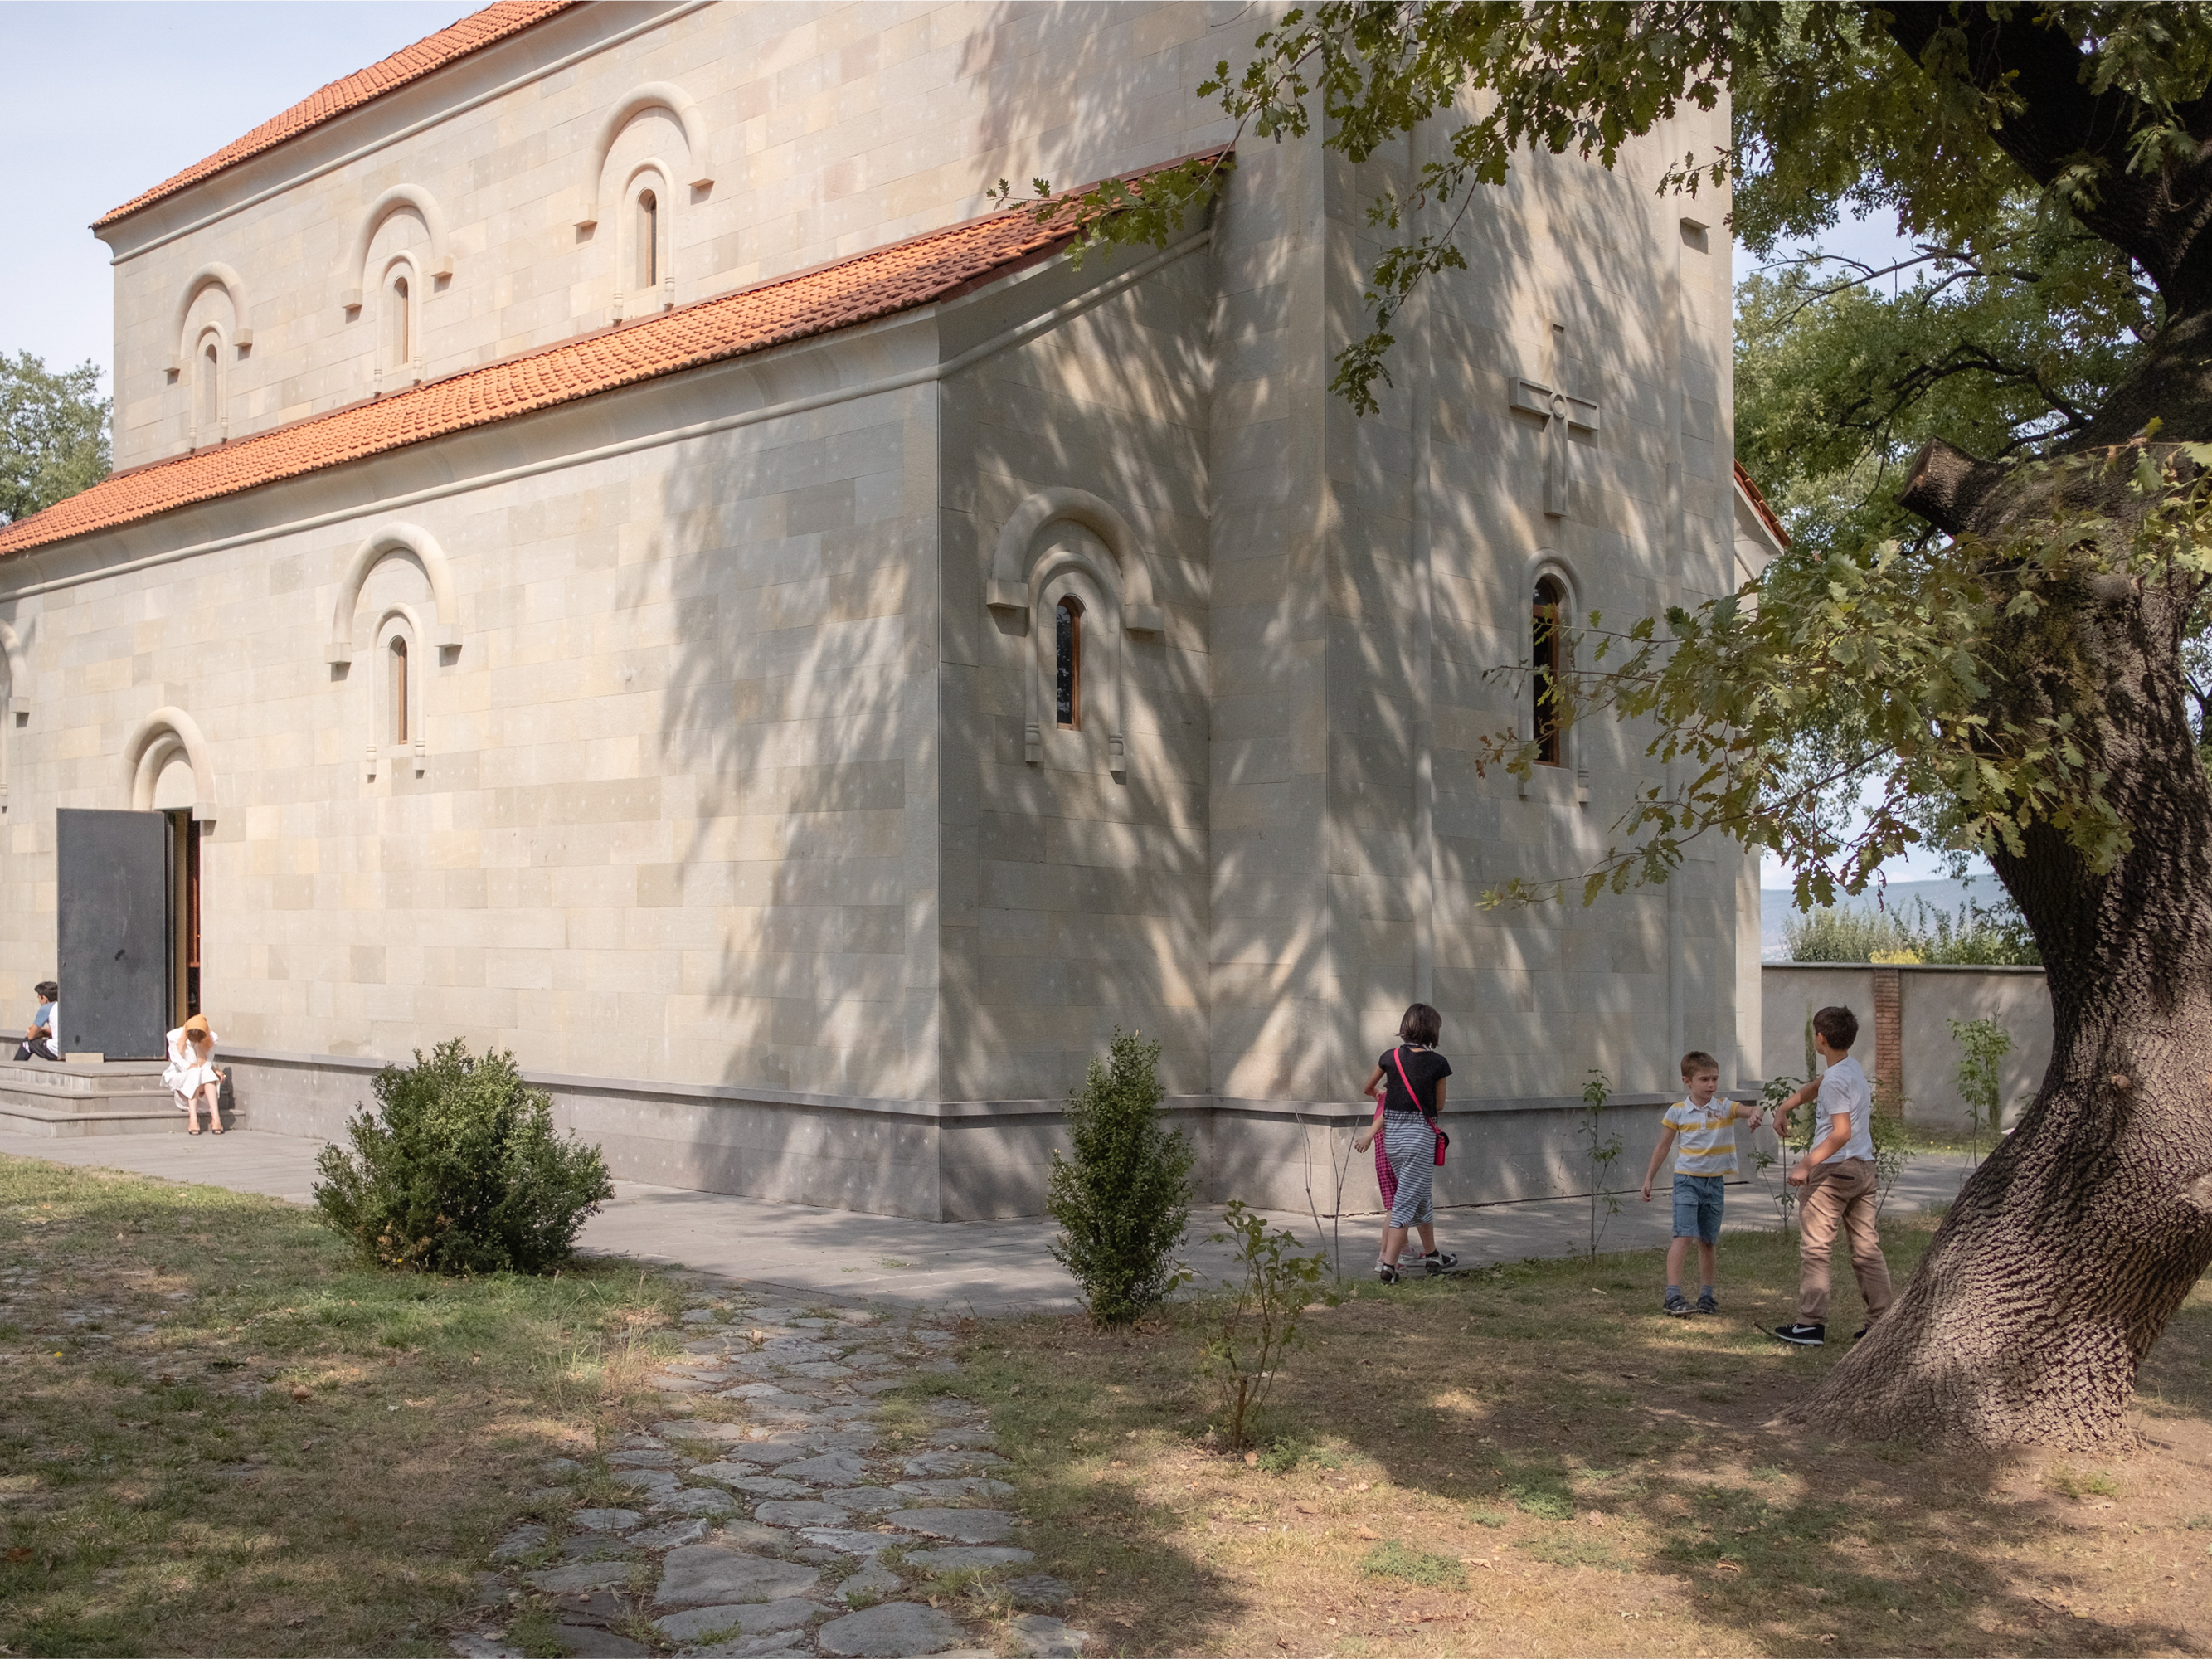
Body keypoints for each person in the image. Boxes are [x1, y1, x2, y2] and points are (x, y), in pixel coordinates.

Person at [1766, 1005, 1893, 1345]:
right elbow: (1814, 1087)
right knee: (1867, 1249)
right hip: (1863, 1170)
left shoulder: (1837, 1079)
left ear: (1820, 1039)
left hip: (1834, 1172)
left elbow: (1840, 1133)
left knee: (1817, 1249)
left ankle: (1810, 1324)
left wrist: (1806, 1164)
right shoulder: (1849, 1068)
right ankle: (1882, 1322)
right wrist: (1784, 1107)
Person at [1639, 1049, 1764, 1316]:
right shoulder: (1677, 1112)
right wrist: (1649, 1178)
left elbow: (1750, 1108)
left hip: (1714, 1184)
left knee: (1707, 1241)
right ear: (1687, 1081)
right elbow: (1662, 1147)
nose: (1711, 1085)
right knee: (1683, 1235)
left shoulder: (1723, 1107)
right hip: (1686, 1181)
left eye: (1715, 1079)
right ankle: (1672, 1296)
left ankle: (1707, 1297)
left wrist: (1755, 1113)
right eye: (1704, 1079)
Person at [1354, 1002, 1459, 1284]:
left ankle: (1432, 1255)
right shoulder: (1438, 1063)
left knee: (1421, 1194)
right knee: (1404, 1201)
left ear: (1406, 1027)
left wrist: (1386, 1094)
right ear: (1432, 1030)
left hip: (1392, 1137)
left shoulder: (1389, 1058)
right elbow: (1438, 1105)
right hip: (1419, 1138)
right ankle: (1388, 1266)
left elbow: (1370, 1087)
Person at [163, 1014, 227, 1135]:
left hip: (202, 1074)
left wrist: (209, 1068)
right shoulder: (174, 1036)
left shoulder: (212, 1037)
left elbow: (207, 1062)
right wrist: (192, 1067)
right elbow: (177, 1060)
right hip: (181, 1075)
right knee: (195, 1073)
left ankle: (216, 1118)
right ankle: (193, 1118)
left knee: (206, 1074)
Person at [14, 981, 59, 1062]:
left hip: (58, 1049)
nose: (39, 1001)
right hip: (72, 1047)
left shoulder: (46, 1008)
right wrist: (44, 1031)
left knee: (27, 1043)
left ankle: (15, 1068)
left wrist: (32, 1031)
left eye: (38, 997)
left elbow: (31, 1036)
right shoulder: (65, 1006)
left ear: (44, 999)